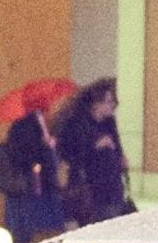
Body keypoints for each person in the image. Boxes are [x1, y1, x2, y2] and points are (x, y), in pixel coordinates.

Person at [0, 102, 68, 243]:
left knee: (38, 228)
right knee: (23, 231)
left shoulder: (47, 125)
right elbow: (23, 154)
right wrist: (44, 146)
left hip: (37, 187)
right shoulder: (24, 125)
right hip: (26, 187)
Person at [54, 79, 131, 226]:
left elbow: (117, 147)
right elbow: (69, 155)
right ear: (95, 102)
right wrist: (95, 145)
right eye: (107, 101)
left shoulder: (109, 123)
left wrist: (120, 158)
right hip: (89, 189)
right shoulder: (76, 124)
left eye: (112, 101)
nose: (112, 105)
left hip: (112, 187)